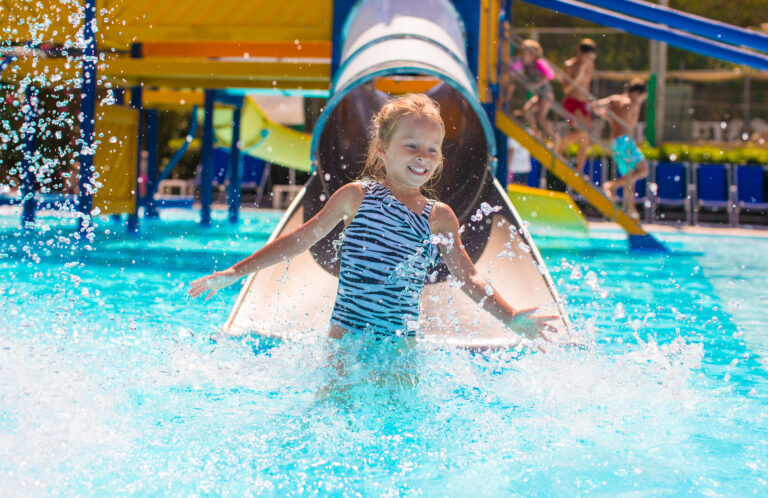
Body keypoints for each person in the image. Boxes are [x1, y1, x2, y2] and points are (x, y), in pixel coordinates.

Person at [189, 93, 557, 343]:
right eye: (411, 145)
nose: (423, 156)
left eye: (433, 149)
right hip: (344, 344)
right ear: (382, 149)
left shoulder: (439, 217)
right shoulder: (356, 197)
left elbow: (468, 277)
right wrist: (234, 273)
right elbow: (300, 239)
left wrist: (510, 318)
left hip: (399, 353)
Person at [595, 78, 650, 221]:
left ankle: (631, 211)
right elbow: (630, 124)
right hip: (624, 141)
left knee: (630, 178)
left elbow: (594, 106)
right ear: (637, 93)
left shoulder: (615, 100)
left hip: (614, 143)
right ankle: (612, 186)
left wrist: (608, 115)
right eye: (642, 98)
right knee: (643, 170)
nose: (641, 101)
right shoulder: (632, 103)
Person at [501, 39, 556, 142]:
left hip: (546, 94)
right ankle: (537, 134)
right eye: (522, 52)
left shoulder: (538, 63)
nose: (522, 55)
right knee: (526, 112)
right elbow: (511, 69)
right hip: (538, 95)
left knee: (541, 117)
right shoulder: (524, 64)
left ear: (533, 55)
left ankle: (555, 137)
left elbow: (549, 75)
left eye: (525, 53)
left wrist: (536, 85)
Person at [559, 38, 598, 175]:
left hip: (583, 103)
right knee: (583, 131)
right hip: (571, 102)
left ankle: (579, 169)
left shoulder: (590, 64)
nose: (588, 60)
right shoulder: (569, 65)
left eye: (590, 58)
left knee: (586, 137)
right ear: (579, 52)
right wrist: (579, 75)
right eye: (586, 56)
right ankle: (559, 147)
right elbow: (566, 90)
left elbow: (586, 86)